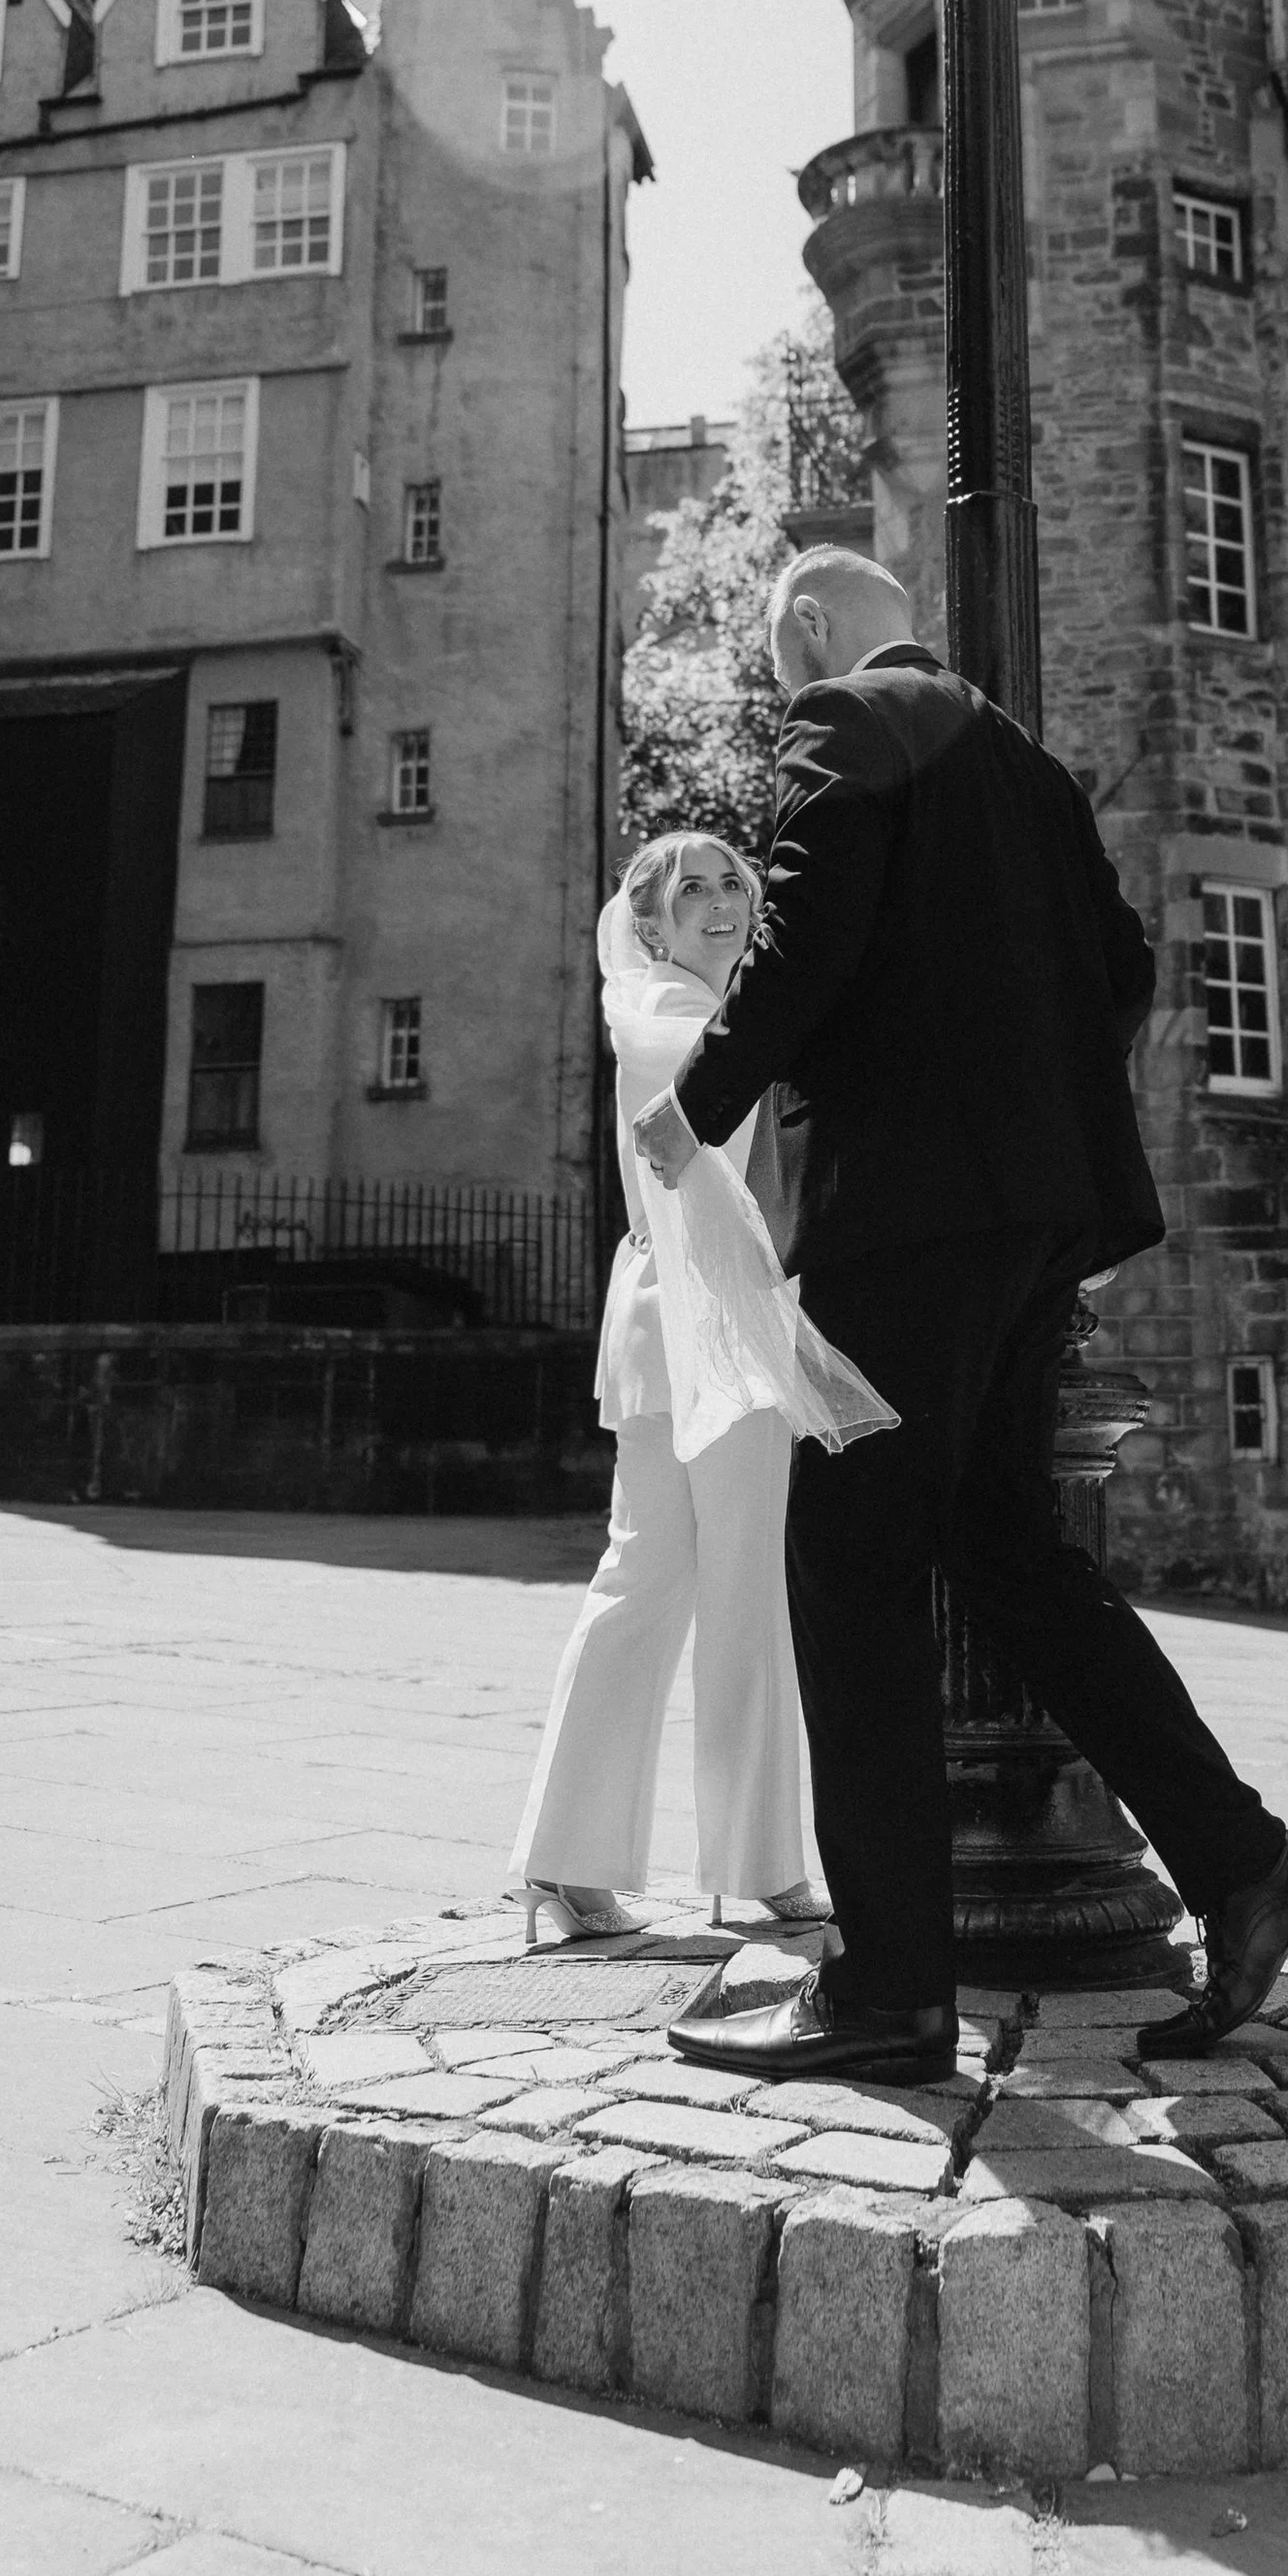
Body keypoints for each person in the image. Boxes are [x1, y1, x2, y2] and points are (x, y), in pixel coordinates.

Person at [638, 547, 1288, 2086]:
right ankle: (1246, 1863)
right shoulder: (1025, 760)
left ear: (815, 632)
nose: (783, 694)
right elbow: (1126, 966)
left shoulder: (848, 720)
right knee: (1011, 1557)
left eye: (779, 662)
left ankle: (890, 1986)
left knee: (847, 1557)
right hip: (1040, 1214)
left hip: (916, 1211)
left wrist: (693, 1108)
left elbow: (806, 936)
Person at [506, 827, 880, 1944]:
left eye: (731, 883)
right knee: (737, 1592)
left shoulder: (671, 1013)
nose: (717, 902)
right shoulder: (670, 1015)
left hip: (670, 1327)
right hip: (713, 1330)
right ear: (652, 922)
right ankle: (757, 1867)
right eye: (689, 892)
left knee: (644, 1583)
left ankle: (565, 1866)